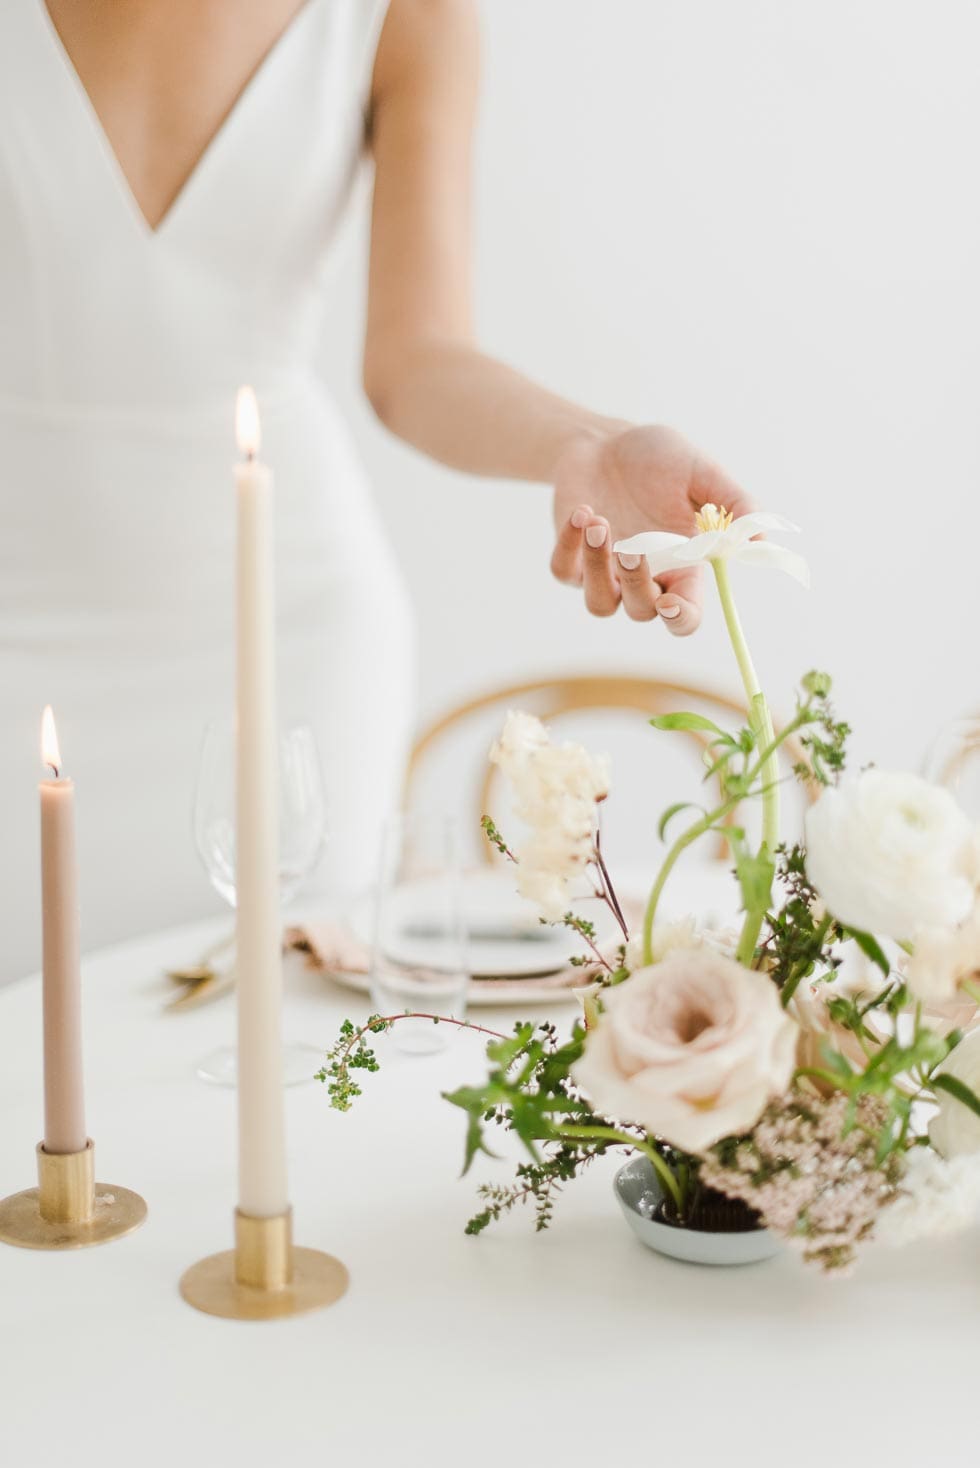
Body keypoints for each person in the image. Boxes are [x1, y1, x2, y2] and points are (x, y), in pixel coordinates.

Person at [0, 0, 749, 982]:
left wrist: (586, 445)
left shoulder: (406, 14)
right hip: (24, 604)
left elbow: (415, 357)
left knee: (262, 1046)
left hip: (282, 627)